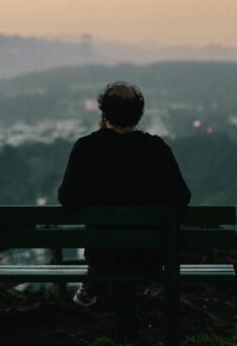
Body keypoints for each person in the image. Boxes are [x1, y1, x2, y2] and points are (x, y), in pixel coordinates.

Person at [58, 81, 191, 341]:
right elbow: (182, 197)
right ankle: (124, 323)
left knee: (114, 252)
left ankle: (96, 289)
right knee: (126, 252)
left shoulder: (86, 148)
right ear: (138, 114)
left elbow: (67, 198)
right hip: (149, 255)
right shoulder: (156, 149)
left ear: (104, 112)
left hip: (102, 255)